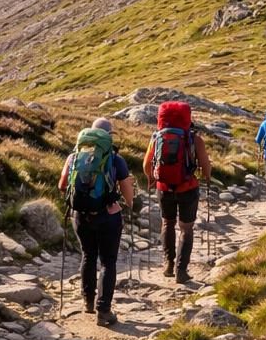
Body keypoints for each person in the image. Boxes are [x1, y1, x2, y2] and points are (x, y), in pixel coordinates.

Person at [57, 117, 134, 326]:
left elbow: (62, 185)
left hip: (80, 215)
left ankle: (88, 302)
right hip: (108, 216)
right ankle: (104, 311)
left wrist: (83, 198)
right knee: (108, 262)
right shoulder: (115, 159)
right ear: (109, 136)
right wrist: (127, 204)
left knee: (88, 255)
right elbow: (127, 191)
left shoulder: (74, 156)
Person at [142, 100, 212, 284]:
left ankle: (168, 264)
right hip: (187, 187)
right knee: (186, 228)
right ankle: (181, 270)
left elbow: (146, 165)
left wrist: (152, 179)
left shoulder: (156, 138)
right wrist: (206, 177)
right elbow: (205, 167)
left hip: (164, 188)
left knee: (167, 223)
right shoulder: (194, 139)